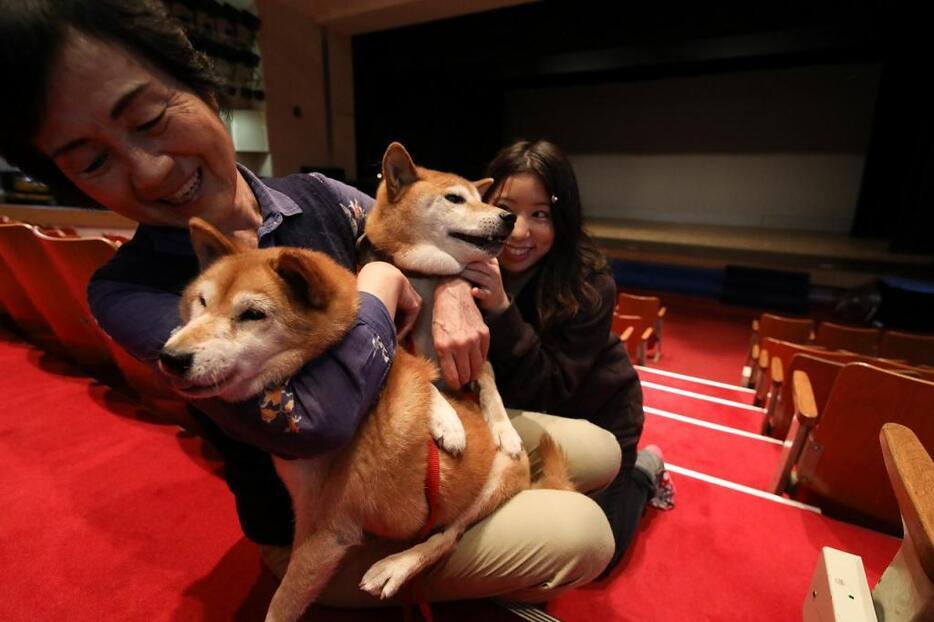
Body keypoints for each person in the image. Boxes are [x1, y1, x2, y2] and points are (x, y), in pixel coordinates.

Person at [0, 0, 622, 606]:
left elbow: (414, 238)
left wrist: (454, 289)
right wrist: (382, 284)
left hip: (422, 436)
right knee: (583, 531)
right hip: (334, 526)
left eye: (150, 118)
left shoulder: (322, 196)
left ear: (205, 88)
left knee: (600, 450)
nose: (152, 171)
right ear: (69, 181)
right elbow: (313, 421)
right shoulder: (129, 292)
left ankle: (564, 490)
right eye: (94, 161)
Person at [463, 139, 674, 575]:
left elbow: (547, 388)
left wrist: (502, 310)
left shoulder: (589, 283)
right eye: (507, 209)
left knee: (604, 553)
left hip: (596, 414)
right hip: (517, 413)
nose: (519, 232)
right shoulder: (463, 257)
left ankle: (646, 469)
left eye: (540, 215)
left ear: (561, 219)